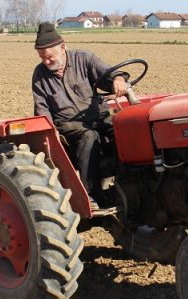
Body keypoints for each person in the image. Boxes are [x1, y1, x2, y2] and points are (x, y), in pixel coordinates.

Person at [31, 22, 127, 208]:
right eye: (42, 58)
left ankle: (128, 183)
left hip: (97, 116)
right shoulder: (39, 74)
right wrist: (50, 132)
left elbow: (110, 74)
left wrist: (118, 79)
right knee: (88, 136)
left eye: (49, 57)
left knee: (122, 129)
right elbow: (41, 108)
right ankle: (91, 194)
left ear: (63, 47)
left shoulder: (84, 59)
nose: (46, 61)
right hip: (68, 123)